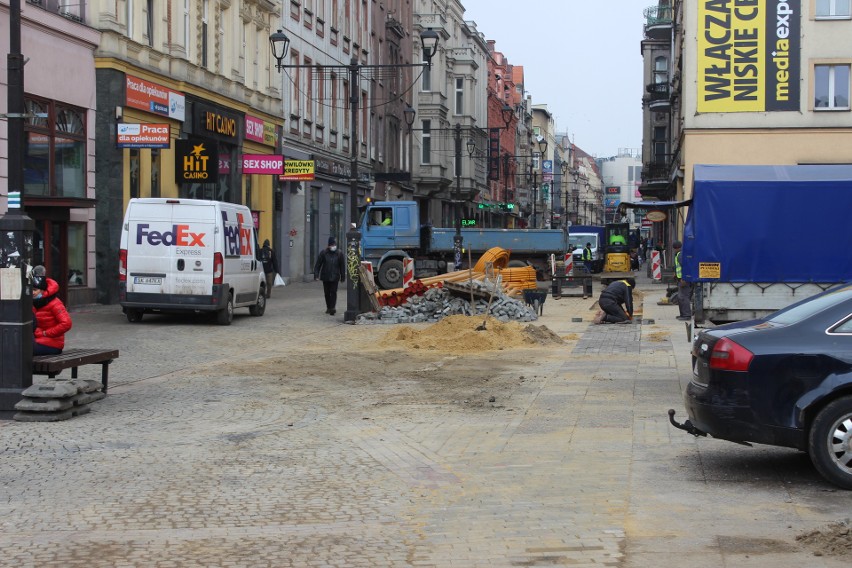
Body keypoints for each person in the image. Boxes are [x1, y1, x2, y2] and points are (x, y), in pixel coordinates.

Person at [31, 265, 72, 355]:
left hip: (53, 344)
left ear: (42, 290)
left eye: (35, 290)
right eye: (31, 290)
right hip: (38, 340)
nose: (32, 292)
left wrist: (46, 333)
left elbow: (66, 323)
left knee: (24, 350)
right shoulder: (33, 303)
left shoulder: (55, 303)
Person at [313, 236, 346, 315]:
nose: (333, 246)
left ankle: (332, 308)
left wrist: (343, 277)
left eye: (334, 244)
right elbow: (318, 265)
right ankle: (328, 307)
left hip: (335, 276)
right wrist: (316, 275)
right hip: (326, 276)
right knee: (327, 293)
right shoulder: (324, 253)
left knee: (333, 292)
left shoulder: (339, 254)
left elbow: (342, 266)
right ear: (328, 245)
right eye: (331, 245)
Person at [673, 240, 693, 321]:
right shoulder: (680, 254)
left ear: (676, 248)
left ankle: (686, 315)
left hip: (684, 280)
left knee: (683, 297)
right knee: (681, 297)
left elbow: (686, 267)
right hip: (681, 279)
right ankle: (683, 314)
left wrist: (684, 278)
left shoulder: (680, 255)